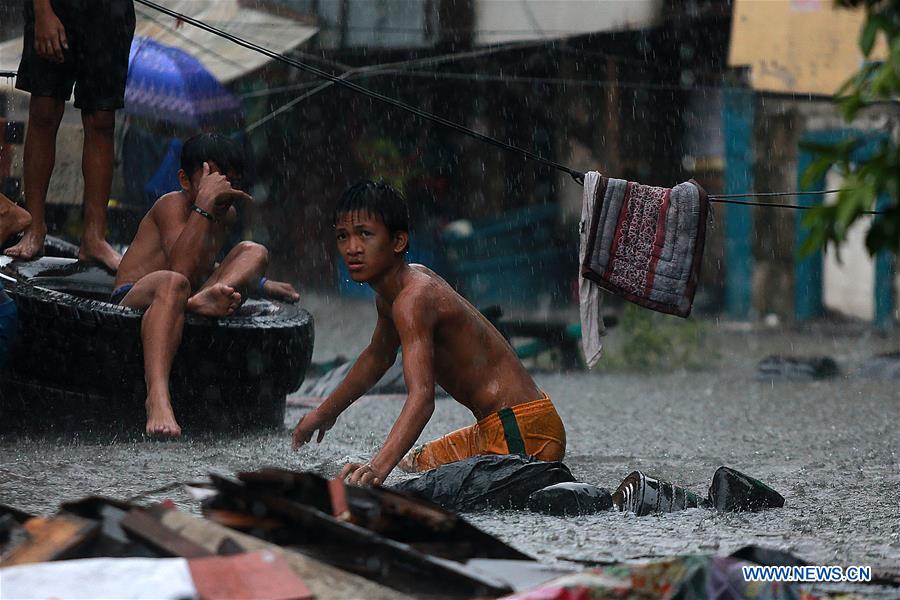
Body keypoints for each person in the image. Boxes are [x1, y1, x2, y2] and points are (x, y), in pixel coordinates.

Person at [291, 181, 566, 486]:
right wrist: (324, 413)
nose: (352, 248)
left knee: (419, 491)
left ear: (398, 241)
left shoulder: (413, 299)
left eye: (365, 235)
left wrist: (377, 468)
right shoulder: (394, 293)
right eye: (343, 236)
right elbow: (377, 358)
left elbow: (422, 399)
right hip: (504, 425)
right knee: (411, 465)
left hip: (520, 432)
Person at [113, 133, 300, 438]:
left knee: (254, 251)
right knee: (174, 284)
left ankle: (196, 302)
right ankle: (158, 398)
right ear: (186, 180)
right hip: (136, 295)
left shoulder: (226, 215)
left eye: (229, 180)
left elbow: (202, 263)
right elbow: (180, 269)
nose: (222, 188)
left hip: (184, 291)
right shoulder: (171, 205)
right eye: (214, 178)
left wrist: (261, 284)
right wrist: (203, 205)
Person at [5, 0, 136, 271]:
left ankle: (94, 238)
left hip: (109, 12)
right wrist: (42, 10)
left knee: (101, 118)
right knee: (44, 110)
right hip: (56, 7)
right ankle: (34, 227)